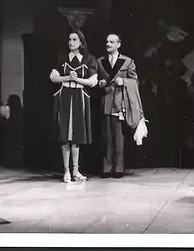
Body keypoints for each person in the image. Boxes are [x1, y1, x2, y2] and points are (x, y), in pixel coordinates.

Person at [49, 30, 98, 183]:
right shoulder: (62, 57)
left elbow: (92, 81)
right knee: (65, 135)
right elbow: (53, 77)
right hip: (64, 96)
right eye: (69, 39)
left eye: (74, 39)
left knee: (76, 136)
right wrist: (67, 77)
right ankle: (66, 171)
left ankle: (75, 170)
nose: (71, 42)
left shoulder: (89, 59)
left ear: (81, 42)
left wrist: (77, 80)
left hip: (79, 97)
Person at [97, 34, 140, 178]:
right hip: (106, 102)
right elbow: (96, 80)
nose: (108, 44)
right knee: (106, 138)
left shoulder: (127, 61)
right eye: (107, 41)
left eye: (111, 42)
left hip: (120, 102)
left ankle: (119, 167)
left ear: (118, 44)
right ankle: (107, 167)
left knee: (119, 138)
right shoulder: (100, 61)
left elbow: (135, 81)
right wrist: (100, 83)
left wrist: (125, 82)